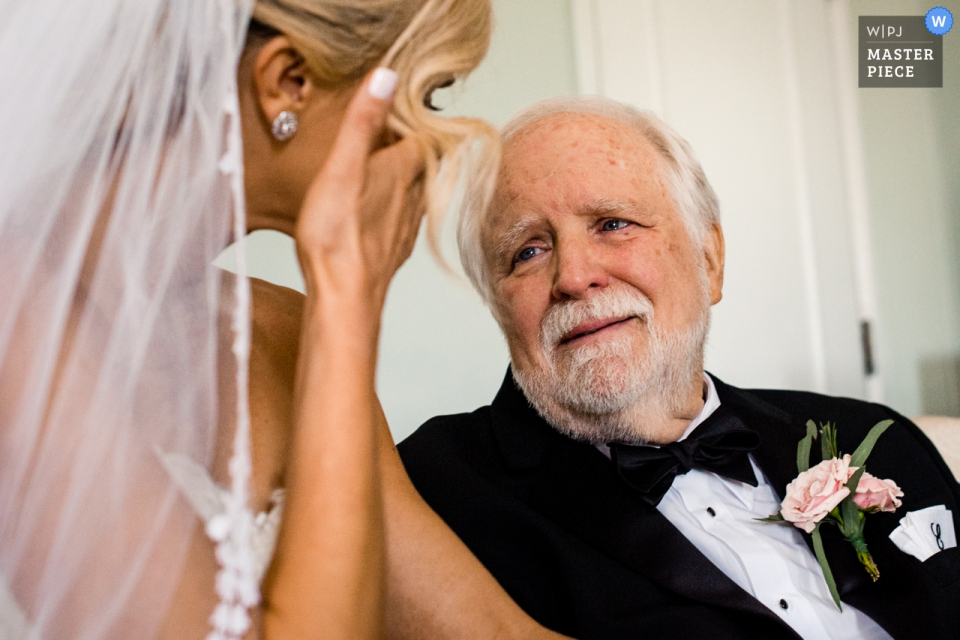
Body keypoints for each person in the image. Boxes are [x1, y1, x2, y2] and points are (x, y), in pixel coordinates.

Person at [0, 1, 568, 638]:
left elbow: (488, 631)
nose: (433, 152)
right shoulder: (14, 321)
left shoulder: (283, 329)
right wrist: (350, 296)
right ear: (287, 82)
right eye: (428, 98)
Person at [398, 97, 960, 640]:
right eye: (528, 251)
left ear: (709, 260)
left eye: (612, 223)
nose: (572, 276)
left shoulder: (872, 434)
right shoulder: (431, 493)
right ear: (497, 307)